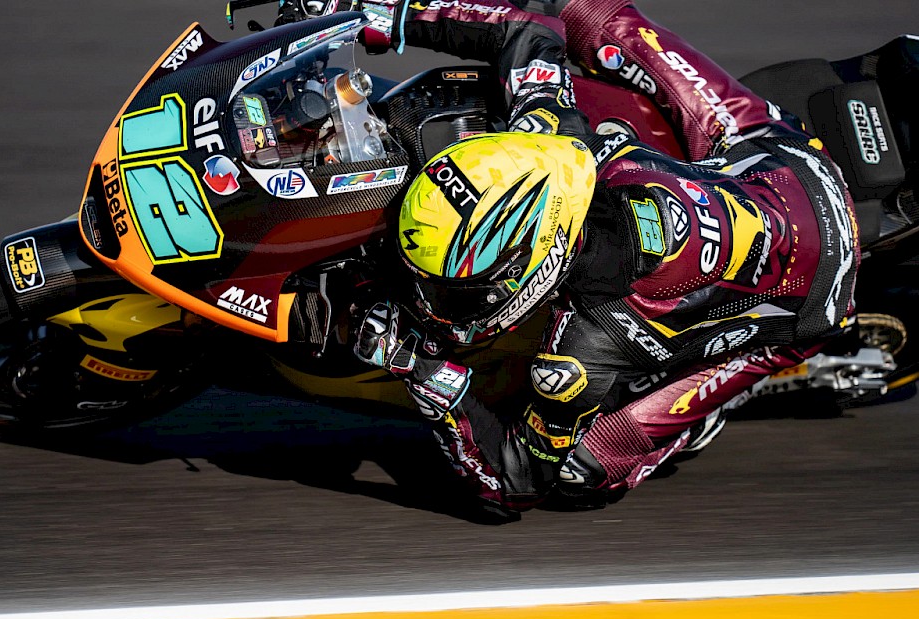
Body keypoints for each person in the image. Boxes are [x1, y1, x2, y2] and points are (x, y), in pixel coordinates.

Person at [282, 0, 860, 515]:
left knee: (580, 472)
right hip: (781, 159)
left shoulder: (584, 352)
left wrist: (426, 372)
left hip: (815, 296)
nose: (435, 300)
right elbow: (527, 30)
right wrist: (373, 14)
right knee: (584, 9)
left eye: (456, 288)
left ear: (538, 265)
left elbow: (513, 485)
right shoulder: (553, 137)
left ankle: (705, 411)